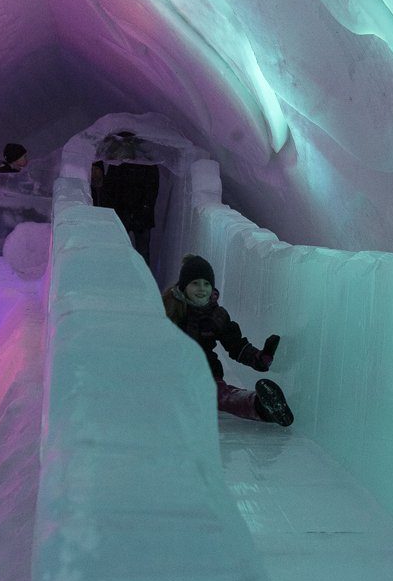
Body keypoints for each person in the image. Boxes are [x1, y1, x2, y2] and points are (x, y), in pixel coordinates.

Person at [162, 254, 294, 426]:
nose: (202, 289)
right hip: (174, 375)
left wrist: (261, 358)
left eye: (206, 284)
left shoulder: (217, 315)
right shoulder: (168, 310)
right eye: (195, 283)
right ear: (183, 286)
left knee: (220, 395)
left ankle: (262, 406)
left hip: (206, 373)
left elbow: (236, 346)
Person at [101, 132, 160, 265]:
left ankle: (142, 280)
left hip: (139, 217)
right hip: (127, 215)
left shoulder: (146, 165)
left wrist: (144, 209)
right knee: (128, 251)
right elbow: (109, 190)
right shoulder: (118, 166)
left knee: (141, 252)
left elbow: (151, 191)